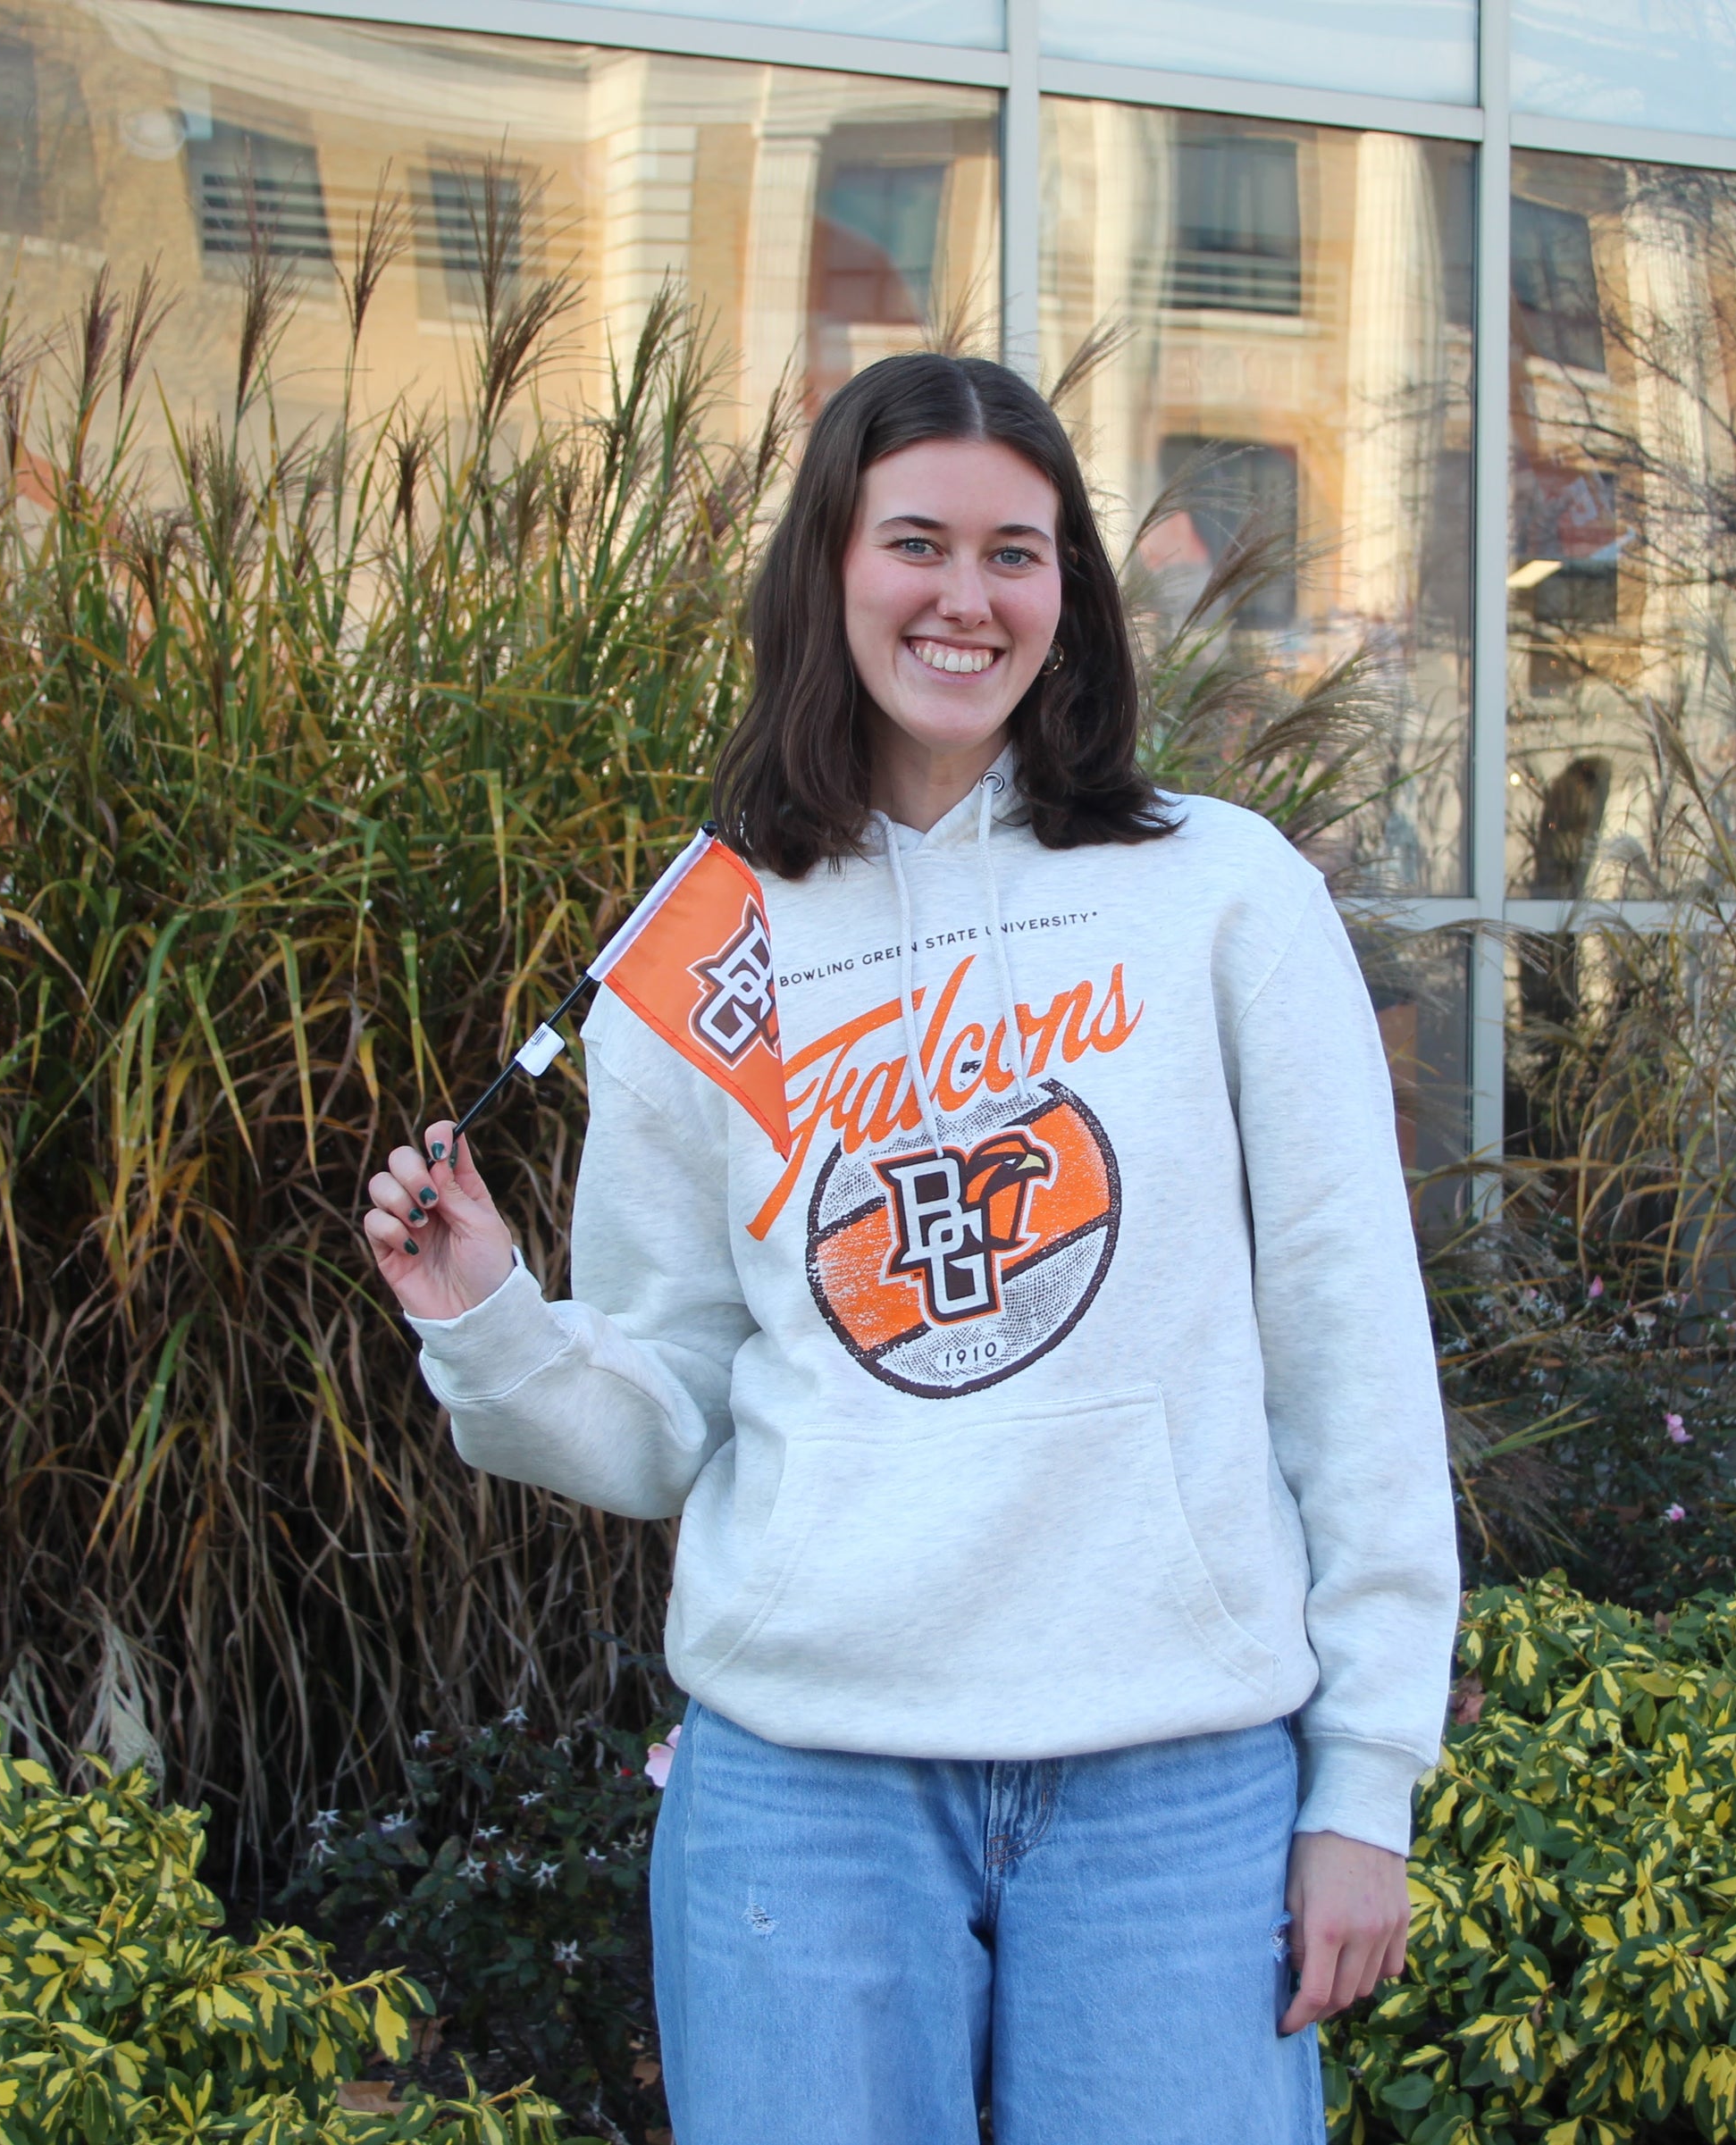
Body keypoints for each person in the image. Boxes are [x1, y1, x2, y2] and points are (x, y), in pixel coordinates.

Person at [361, 351, 1458, 2145]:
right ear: (830, 565)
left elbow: (1354, 1353)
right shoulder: (707, 939)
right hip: (810, 1789)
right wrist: (491, 1316)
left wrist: (1365, 1782)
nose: (968, 597)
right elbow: (663, 1418)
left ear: (1069, 587)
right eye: (918, 544)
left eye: (1017, 552)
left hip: (1174, 1778)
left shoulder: (1223, 891)